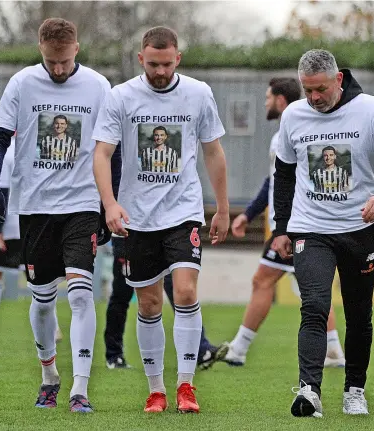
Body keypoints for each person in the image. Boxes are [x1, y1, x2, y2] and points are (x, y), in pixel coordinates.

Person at [92, 26, 229, 414]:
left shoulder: (199, 93)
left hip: (183, 211)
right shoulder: (121, 97)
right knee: (149, 303)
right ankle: (156, 390)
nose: (160, 72)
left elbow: (214, 152)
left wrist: (221, 207)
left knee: (185, 292)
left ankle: (186, 386)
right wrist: (110, 204)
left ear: (178, 59)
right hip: (137, 217)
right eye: (153, 64)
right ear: (141, 59)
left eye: (167, 64)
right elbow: (102, 154)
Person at [0, 18, 111, 413]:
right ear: (41, 50)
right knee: (41, 300)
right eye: (51, 62)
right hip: (35, 207)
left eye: (65, 61)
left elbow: (112, 148)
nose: (58, 69)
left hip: (82, 204)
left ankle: (80, 389)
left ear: (76, 49)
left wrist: (110, 202)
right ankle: (49, 376)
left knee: (79, 293)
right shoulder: (22, 84)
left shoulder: (98, 86)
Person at [272, 49, 374, 417]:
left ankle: (354, 389)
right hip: (310, 229)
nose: (313, 98)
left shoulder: (370, 109)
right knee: (313, 306)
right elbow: (283, 175)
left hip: (359, 229)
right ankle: (309, 391)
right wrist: (280, 228)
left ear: (338, 80)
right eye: (306, 90)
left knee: (359, 313)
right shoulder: (293, 116)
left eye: (320, 89)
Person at [225, 77, 345, 368]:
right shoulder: (287, 133)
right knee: (312, 290)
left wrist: (285, 227)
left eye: (268, 97)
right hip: (301, 223)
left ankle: (238, 349)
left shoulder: (290, 133)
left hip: (294, 225)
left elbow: (290, 182)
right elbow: (274, 180)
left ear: (281, 100)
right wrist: (248, 214)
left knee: (263, 280)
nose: (265, 103)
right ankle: (333, 350)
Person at [0, 137, 63, 342]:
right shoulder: (37, 146)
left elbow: (2, 190)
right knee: (41, 277)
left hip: (9, 225)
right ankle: (53, 329)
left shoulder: (5, 150)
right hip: (36, 222)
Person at [104, 235, 228, 370]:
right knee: (122, 293)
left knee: (179, 290)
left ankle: (201, 349)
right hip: (129, 233)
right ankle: (114, 354)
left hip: (162, 232)